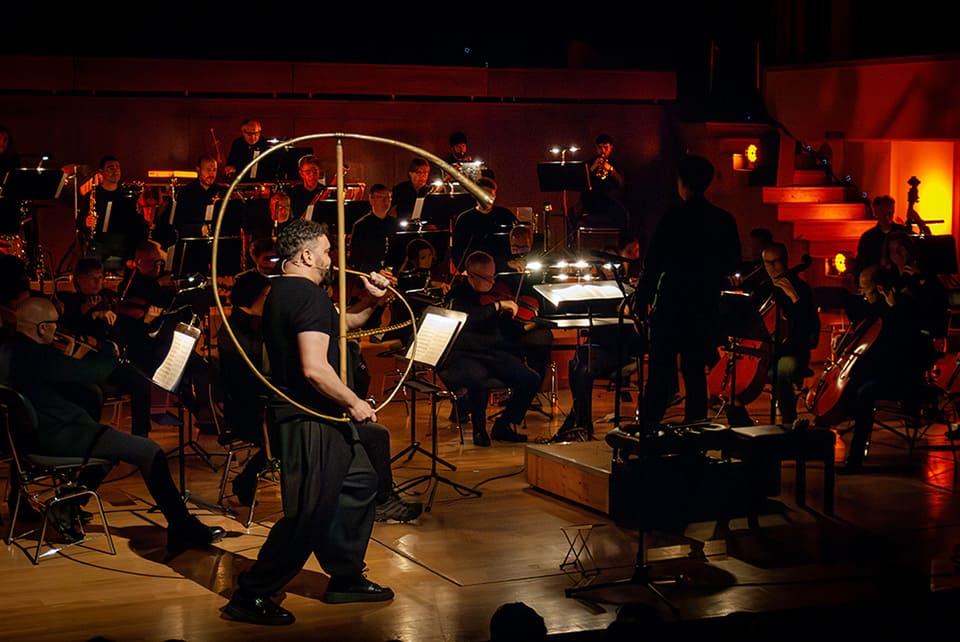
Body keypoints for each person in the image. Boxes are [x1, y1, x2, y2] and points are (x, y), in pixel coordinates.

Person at [223, 219, 395, 625]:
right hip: (309, 417)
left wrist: (371, 302)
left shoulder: (287, 292)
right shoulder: (307, 296)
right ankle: (253, 594)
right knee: (308, 511)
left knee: (359, 482)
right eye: (326, 251)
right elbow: (315, 368)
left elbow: (341, 326)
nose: (330, 258)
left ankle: (346, 576)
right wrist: (355, 402)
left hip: (315, 416)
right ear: (305, 255)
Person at [0, 296, 225, 551]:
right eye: (54, 324)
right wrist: (110, 351)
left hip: (32, 436)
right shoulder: (37, 356)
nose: (57, 330)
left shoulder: (9, 349)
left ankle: (67, 505)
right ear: (41, 327)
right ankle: (182, 525)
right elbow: (93, 373)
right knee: (148, 451)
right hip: (57, 436)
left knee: (112, 445)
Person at [635, 154, 741, 431]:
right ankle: (696, 431)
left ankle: (648, 430)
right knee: (695, 372)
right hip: (704, 305)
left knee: (660, 371)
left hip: (672, 303)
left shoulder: (673, 218)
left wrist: (641, 300)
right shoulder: (724, 220)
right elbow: (732, 264)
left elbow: (654, 263)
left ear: (683, 184)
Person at [839, 264, 936, 472]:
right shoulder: (874, 309)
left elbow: (910, 346)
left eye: (866, 289)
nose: (862, 293)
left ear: (881, 289)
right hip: (880, 372)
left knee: (864, 392)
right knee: (853, 386)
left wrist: (896, 310)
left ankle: (855, 459)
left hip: (902, 376)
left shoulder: (906, 308)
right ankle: (846, 444)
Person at [439, 250, 540, 446]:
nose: (493, 282)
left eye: (494, 276)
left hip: (493, 353)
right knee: (479, 380)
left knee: (531, 378)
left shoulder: (495, 294)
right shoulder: (457, 295)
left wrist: (528, 325)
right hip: (465, 355)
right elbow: (467, 320)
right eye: (487, 277)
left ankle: (504, 424)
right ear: (472, 275)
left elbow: (506, 329)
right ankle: (479, 429)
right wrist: (496, 307)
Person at [760, 242, 820, 426]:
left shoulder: (801, 289)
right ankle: (740, 425)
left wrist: (794, 297)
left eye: (776, 262)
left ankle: (789, 421)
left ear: (785, 261)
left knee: (780, 371)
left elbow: (809, 325)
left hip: (793, 351)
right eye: (767, 263)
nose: (772, 268)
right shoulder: (763, 289)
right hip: (764, 352)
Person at [79, 155, 150, 272]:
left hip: (120, 244)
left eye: (118, 168)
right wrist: (86, 222)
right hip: (98, 243)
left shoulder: (126, 196)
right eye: (111, 168)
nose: (115, 171)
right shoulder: (93, 195)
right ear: (101, 172)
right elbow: (80, 223)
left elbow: (134, 225)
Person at [155, 155, 228, 251]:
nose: (211, 174)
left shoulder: (222, 191)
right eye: (208, 170)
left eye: (214, 170)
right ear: (198, 170)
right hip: (194, 243)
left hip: (218, 242)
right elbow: (179, 223)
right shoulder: (186, 192)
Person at [450, 177, 518, 274]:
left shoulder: (505, 214)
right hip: (475, 270)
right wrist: (463, 270)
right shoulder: (465, 218)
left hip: (503, 268)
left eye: (491, 193)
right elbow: (457, 249)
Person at [578, 133, 629, 231]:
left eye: (606, 148)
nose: (603, 151)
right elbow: (581, 183)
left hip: (609, 202)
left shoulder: (615, 164)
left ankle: (622, 243)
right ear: (596, 148)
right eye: (600, 148)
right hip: (591, 202)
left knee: (624, 214)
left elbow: (621, 183)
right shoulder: (588, 164)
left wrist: (610, 169)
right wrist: (592, 168)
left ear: (611, 148)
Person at [852, 195, 908, 279]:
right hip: (876, 279)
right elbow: (861, 262)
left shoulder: (903, 233)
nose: (887, 216)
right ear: (876, 213)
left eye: (889, 212)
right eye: (882, 213)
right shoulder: (868, 238)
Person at [348, 183, 397, 274]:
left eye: (388, 198)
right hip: (370, 274)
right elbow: (356, 258)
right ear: (371, 200)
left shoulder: (394, 224)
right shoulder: (361, 225)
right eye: (381, 197)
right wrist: (378, 271)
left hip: (391, 272)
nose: (386, 201)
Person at [287, 154, 329, 228]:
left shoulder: (326, 191)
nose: (312, 175)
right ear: (301, 173)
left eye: (315, 171)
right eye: (308, 172)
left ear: (319, 172)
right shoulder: (292, 193)